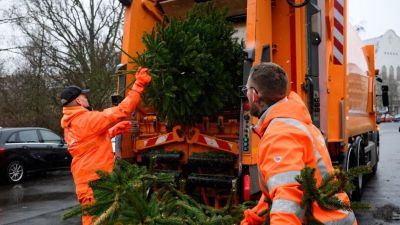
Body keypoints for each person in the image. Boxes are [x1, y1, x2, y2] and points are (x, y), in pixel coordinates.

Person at [240, 63, 357, 225]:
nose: (246, 95)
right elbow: (276, 194)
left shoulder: (279, 134)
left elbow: (288, 200)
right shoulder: (297, 124)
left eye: (245, 90)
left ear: (254, 95)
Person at [60, 68, 151, 225]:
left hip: (86, 180)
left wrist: (117, 129)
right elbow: (122, 110)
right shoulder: (86, 119)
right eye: (84, 96)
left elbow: (90, 142)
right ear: (79, 101)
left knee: (97, 218)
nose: (87, 99)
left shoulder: (70, 123)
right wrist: (139, 84)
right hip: (96, 182)